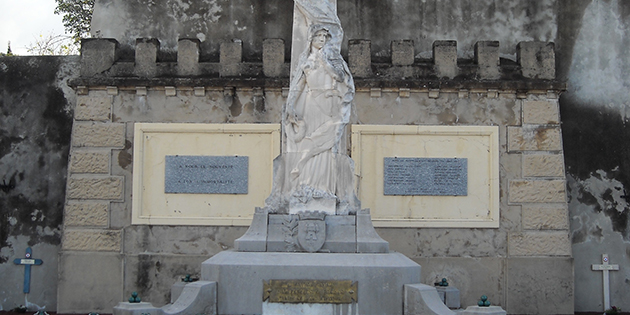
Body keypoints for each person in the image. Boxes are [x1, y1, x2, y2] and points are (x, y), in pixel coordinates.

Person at [283, 24, 355, 198]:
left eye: (324, 37)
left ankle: (324, 188)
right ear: (311, 39)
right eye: (318, 36)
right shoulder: (305, 60)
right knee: (310, 137)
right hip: (311, 103)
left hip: (329, 103)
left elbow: (341, 77)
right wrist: (290, 105)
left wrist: (326, 63)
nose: (322, 40)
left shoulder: (333, 58)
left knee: (327, 142)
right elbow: (298, 85)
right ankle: (304, 183)